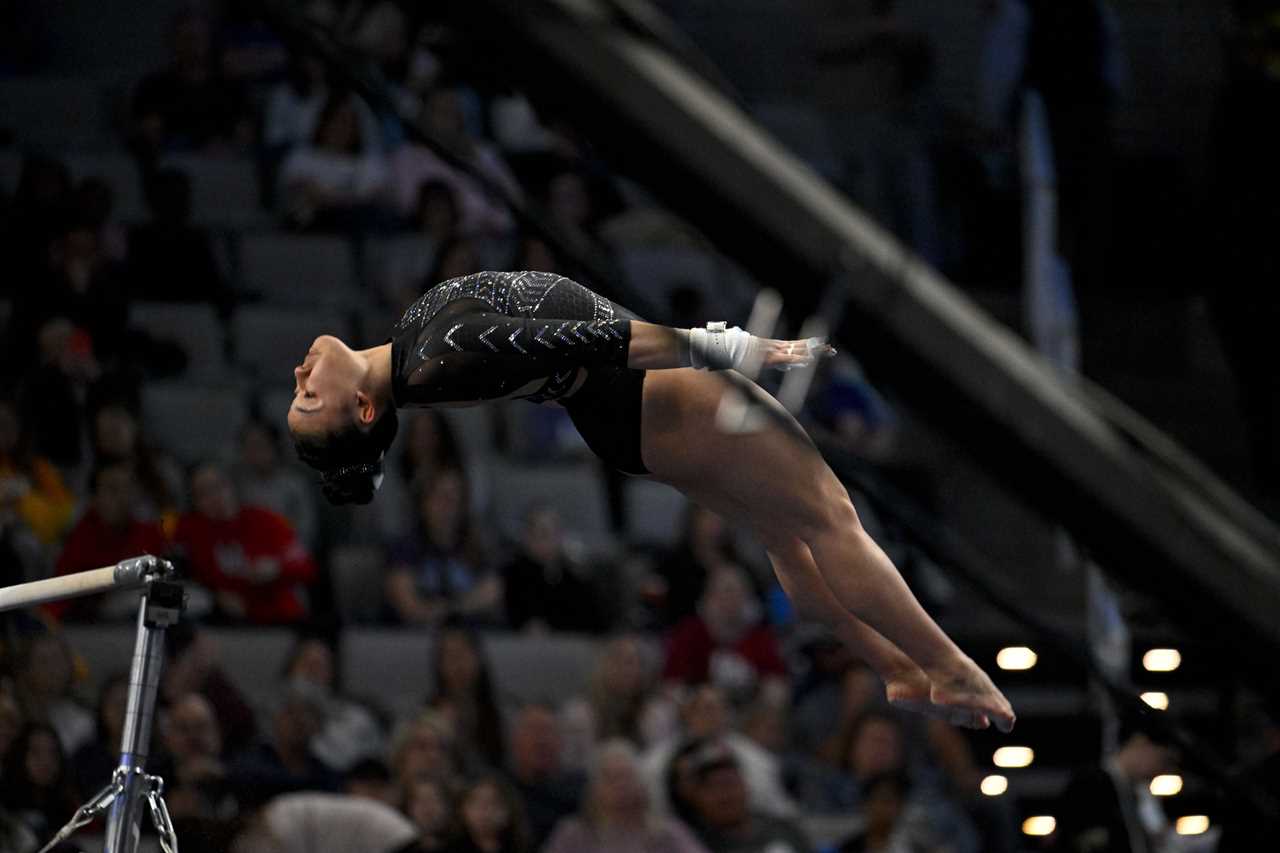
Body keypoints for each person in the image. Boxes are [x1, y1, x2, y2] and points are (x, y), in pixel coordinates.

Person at [285, 269, 1016, 732]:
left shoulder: (417, 355)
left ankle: (892, 666)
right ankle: (946, 663)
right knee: (827, 517)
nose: (301, 379)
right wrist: (742, 349)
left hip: (628, 419)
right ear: (365, 412)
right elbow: (603, 339)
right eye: (310, 403)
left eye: (297, 392)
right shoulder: (441, 356)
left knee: (787, 535)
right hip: (651, 396)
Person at [174, 462, 318, 625]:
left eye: (219, 486)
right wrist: (215, 595)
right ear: (194, 502)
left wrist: (277, 568)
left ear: (232, 486)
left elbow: (307, 567)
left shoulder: (265, 519)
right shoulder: (192, 532)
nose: (215, 497)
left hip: (279, 616)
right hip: (225, 621)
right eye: (203, 493)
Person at [544, 739, 708, 853]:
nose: (620, 786)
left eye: (627, 777)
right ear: (595, 789)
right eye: (611, 778)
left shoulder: (667, 833)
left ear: (641, 785)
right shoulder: (571, 835)